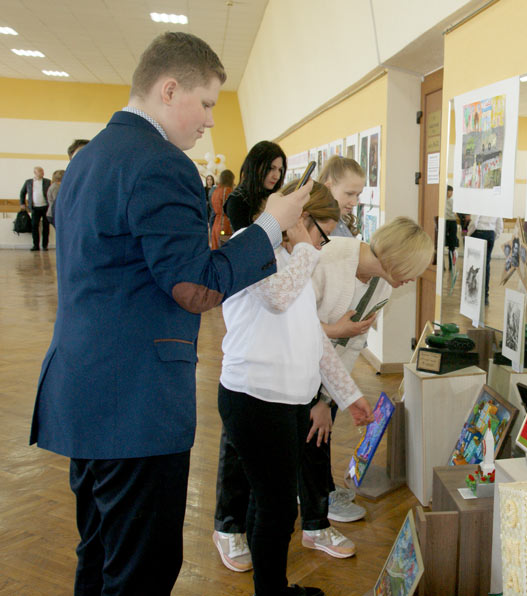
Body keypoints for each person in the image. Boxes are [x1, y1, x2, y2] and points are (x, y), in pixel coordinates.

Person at [29, 32, 310, 595]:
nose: (210, 120)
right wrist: (270, 228)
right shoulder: (160, 164)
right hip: (132, 404)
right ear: (168, 88)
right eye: (205, 103)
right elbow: (195, 288)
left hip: (84, 392)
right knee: (141, 572)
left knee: (100, 556)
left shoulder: (88, 160)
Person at [219, 181, 373, 596]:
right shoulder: (251, 245)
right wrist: (305, 246)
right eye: (321, 233)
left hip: (284, 401)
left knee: (270, 503)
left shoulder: (294, 255)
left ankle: (271, 588)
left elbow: (313, 336)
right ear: (300, 220)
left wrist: (349, 394)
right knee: (277, 506)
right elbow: (277, 297)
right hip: (254, 398)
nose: (322, 246)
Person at [299, 216, 433, 556]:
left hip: (323, 377)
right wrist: (318, 398)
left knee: (315, 436)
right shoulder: (329, 258)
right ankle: (312, 521)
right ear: (394, 258)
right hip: (289, 373)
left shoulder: (382, 284)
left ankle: (316, 510)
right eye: (410, 270)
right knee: (302, 443)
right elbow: (294, 325)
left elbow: (353, 343)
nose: (411, 280)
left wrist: (328, 398)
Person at [213, 140, 289, 572]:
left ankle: (245, 521)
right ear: (257, 166)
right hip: (247, 328)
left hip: (267, 334)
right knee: (235, 441)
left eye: (282, 168)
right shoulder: (243, 204)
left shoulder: (271, 202)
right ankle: (227, 523)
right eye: (271, 167)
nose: (276, 175)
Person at [225, 140, 288, 230]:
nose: (277, 176)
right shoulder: (237, 200)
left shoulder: (275, 195)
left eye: (280, 170)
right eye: (271, 168)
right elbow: (246, 240)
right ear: (255, 167)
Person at [318, 155, 363, 237]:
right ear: (328, 187)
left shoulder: (341, 221)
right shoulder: (318, 227)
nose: (354, 203)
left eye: (357, 195)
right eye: (349, 194)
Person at [466, 213, 503, 305]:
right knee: (486, 265)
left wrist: (469, 233)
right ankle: (485, 295)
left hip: (478, 232)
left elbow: (474, 220)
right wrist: (494, 235)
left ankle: (473, 293)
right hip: (490, 233)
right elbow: (500, 224)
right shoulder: (496, 203)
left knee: (474, 264)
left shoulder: (481, 201)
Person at [19, 166, 51, 251]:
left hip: (45, 207)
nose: (42, 173)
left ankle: (45, 246)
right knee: (34, 226)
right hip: (34, 208)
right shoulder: (28, 182)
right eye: (40, 171)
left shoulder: (47, 182)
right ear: (35, 173)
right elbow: (22, 192)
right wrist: (22, 203)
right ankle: (35, 245)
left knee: (46, 226)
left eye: (43, 171)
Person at [209, 169, 234, 249]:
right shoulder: (228, 191)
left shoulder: (215, 191)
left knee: (216, 249)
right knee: (225, 251)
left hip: (216, 223)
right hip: (225, 225)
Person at [445, 185, 458, 274]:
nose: (451, 193)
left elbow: (456, 213)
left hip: (453, 223)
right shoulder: (442, 201)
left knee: (452, 245)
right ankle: (441, 265)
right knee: (441, 244)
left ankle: (451, 265)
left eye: (452, 191)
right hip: (445, 222)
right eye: (450, 191)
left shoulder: (453, 201)